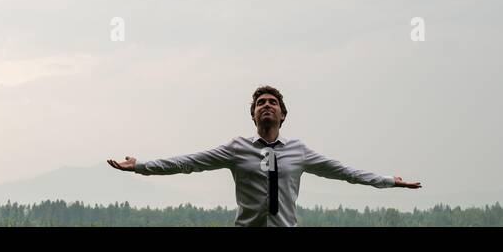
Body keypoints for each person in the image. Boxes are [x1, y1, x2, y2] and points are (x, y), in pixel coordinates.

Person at [108, 84, 421, 226]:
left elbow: (344, 172)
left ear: (283, 115)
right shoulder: (236, 149)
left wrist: (388, 182)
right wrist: (140, 166)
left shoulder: (298, 151)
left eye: (273, 102)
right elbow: (188, 162)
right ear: (253, 115)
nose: (267, 105)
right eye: (261, 103)